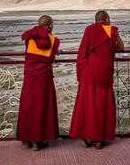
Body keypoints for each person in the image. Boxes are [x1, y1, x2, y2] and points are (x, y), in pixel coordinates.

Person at [69, 10, 124, 149]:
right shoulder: (112, 31)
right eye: (109, 19)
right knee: (102, 106)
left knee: (88, 106)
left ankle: (87, 136)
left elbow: (82, 51)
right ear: (106, 19)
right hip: (104, 73)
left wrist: (80, 72)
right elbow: (121, 48)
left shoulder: (89, 30)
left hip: (88, 73)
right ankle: (99, 140)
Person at [16, 15, 61, 151]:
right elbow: (50, 59)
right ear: (50, 25)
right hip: (44, 78)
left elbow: (32, 52)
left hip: (30, 78)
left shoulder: (29, 37)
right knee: (42, 108)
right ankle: (37, 142)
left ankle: (26, 140)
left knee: (28, 107)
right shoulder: (53, 40)